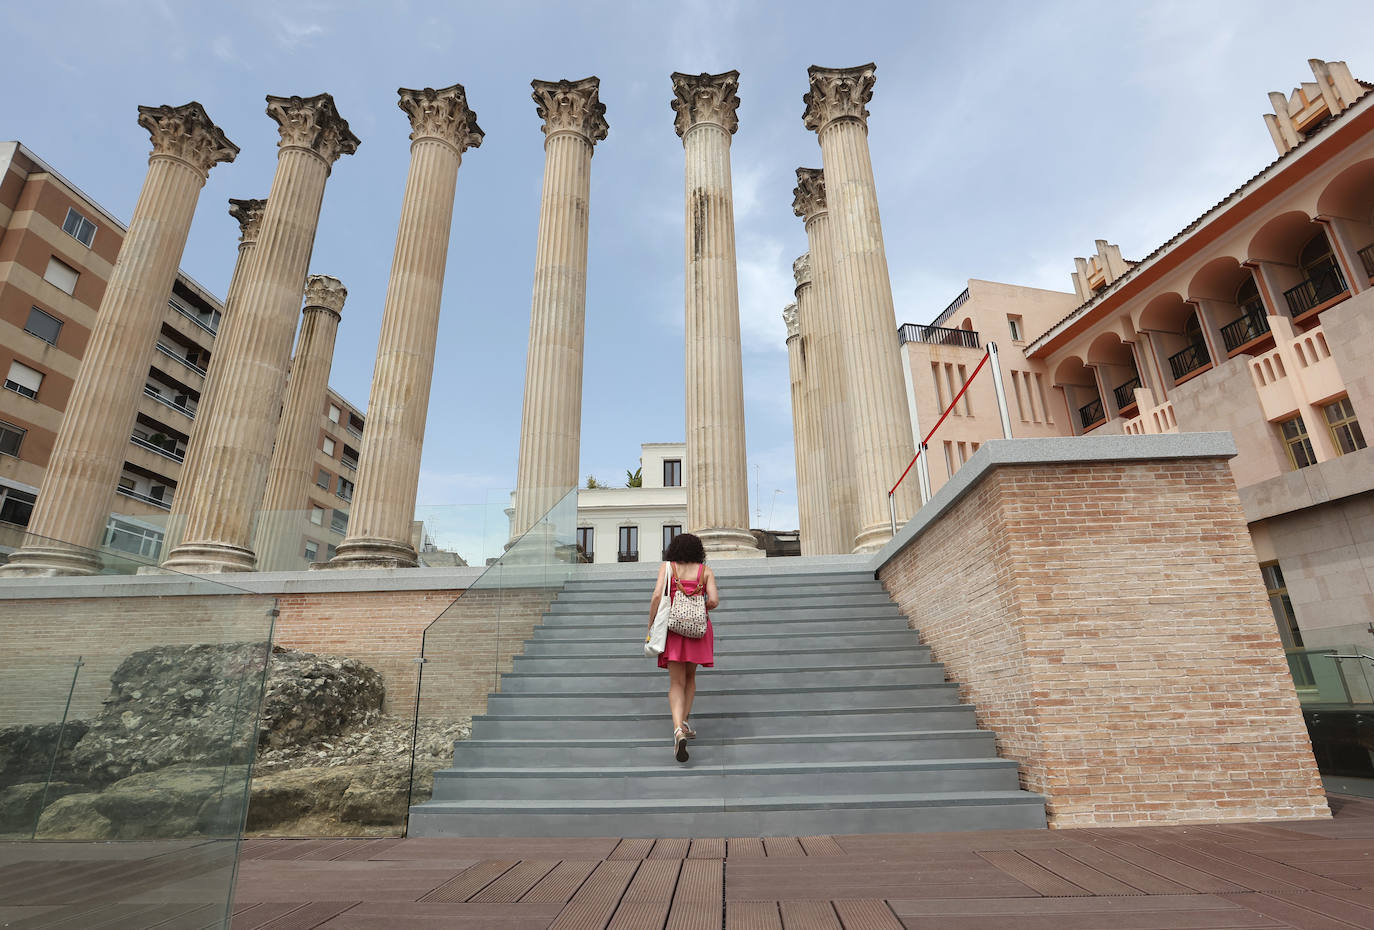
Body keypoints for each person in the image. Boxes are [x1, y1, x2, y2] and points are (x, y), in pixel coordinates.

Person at [648, 532, 718, 763]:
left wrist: (650, 626)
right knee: (690, 678)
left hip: (674, 631)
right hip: (698, 630)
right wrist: (699, 602)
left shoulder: (668, 567)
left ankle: (678, 729)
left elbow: (657, 595)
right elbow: (714, 601)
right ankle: (685, 723)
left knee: (676, 682)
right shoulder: (705, 571)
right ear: (699, 551)